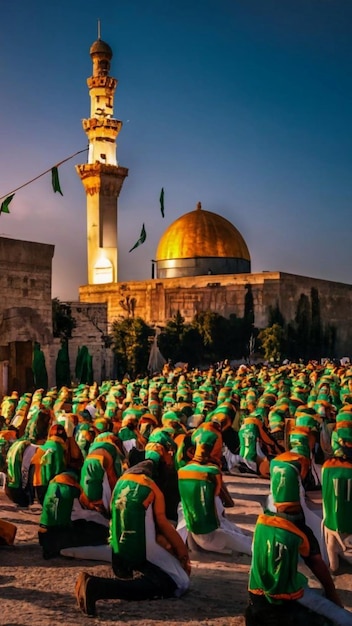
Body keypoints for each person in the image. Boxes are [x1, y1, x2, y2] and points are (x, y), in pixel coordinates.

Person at [74, 455, 191, 617]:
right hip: (142, 548)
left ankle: (97, 585)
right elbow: (163, 524)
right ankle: (96, 586)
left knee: (160, 574)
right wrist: (183, 555)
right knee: (179, 583)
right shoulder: (150, 485)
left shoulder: (120, 483)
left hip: (119, 548)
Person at [177, 428, 252, 556]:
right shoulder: (212, 471)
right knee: (250, 545)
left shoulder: (182, 471)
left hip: (193, 536)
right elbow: (221, 497)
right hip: (211, 537)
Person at [38, 470, 109, 559]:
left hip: (46, 535)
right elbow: (84, 503)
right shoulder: (70, 488)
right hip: (60, 535)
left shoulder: (52, 486)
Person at [321, 425, 352, 573]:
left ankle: (334, 567)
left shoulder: (326, 466)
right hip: (349, 522)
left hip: (331, 519)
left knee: (331, 545)